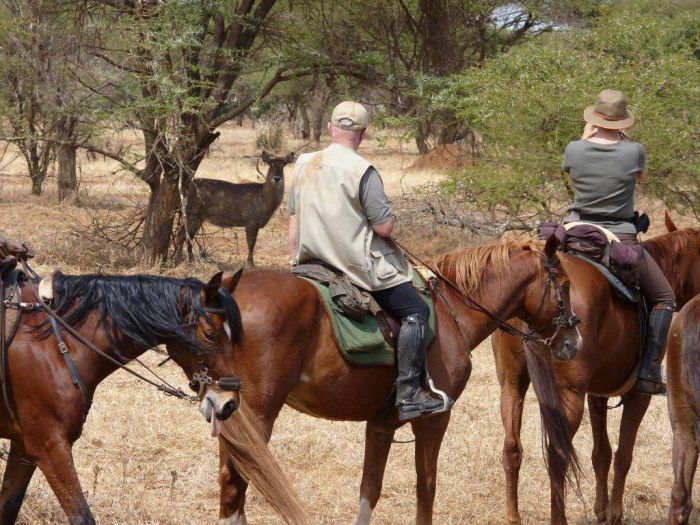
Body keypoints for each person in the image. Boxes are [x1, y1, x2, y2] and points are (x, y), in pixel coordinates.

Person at [287, 101, 444, 420]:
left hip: (308, 262)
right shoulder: (362, 170)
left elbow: (293, 217)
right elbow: (383, 227)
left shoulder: (304, 162)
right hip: (355, 268)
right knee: (416, 310)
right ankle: (409, 392)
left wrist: (293, 260)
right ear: (363, 133)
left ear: (330, 128)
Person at [562, 89, 674, 395]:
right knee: (665, 297)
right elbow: (641, 177)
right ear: (622, 122)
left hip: (575, 233)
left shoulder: (574, 149)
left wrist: (586, 139)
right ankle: (650, 369)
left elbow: (573, 179)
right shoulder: (634, 150)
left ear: (594, 118)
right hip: (619, 237)